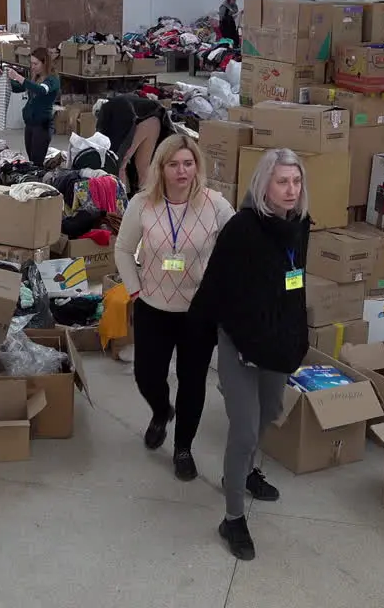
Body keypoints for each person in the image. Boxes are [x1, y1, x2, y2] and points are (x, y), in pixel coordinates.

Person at [190, 148, 310, 561]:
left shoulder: (300, 226)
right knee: (243, 428)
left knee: (271, 410)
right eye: (282, 181)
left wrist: (298, 336)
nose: (291, 190)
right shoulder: (242, 228)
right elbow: (214, 289)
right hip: (240, 340)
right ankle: (233, 516)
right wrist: (205, 340)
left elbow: (297, 286)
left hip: (277, 340)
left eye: (295, 182)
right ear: (264, 184)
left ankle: (242, 472)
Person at [114, 135, 234, 481]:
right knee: (147, 375)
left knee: (192, 381)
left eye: (188, 163)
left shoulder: (216, 205)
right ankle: (160, 409)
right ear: (161, 168)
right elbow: (123, 250)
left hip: (198, 312)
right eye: (173, 164)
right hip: (152, 305)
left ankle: (183, 448)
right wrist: (135, 290)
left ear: (197, 166)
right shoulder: (142, 204)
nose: (182, 171)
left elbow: (239, 245)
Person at [95, 94, 174, 194]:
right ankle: (145, 200)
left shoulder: (108, 110)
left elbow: (112, 141)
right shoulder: (122, 101)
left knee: (120, 164)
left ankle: (122, 203)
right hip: (156, 120)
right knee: (143, 167)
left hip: (143, 123)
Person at [5, 47, 60, 165]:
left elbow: (41, 90)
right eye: (31, 63)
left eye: (36, 63)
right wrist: (9, 79)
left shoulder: (52, 80)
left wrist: (19, 77)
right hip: (30, 123)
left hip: (42, 125)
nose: (33, 66)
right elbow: (22, 88)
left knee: (37, 160)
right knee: (31, 159)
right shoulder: (36, 77)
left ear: (45, 63)